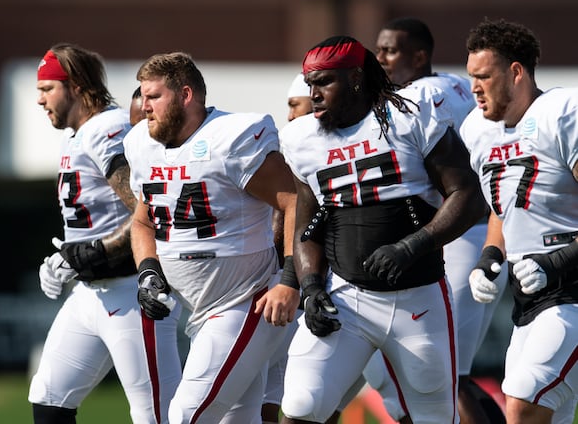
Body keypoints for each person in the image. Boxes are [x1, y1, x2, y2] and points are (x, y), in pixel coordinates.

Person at [278, 36, 486, 424]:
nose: (314, 95)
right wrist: (310, 287)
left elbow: (469, 196)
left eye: (324, 82)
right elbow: (308, 223)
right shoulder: (301, 138)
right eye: (310, 85)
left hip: (417, 299)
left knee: (434, 417)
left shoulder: (408, 117)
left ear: (356, 78)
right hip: (346, 297)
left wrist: (412, 246)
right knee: (301, 406)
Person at [124, 51, 300, 423]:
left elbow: (295, 201)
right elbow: (142, 223)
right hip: (199, 311)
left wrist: (290, 279)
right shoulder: (142, 144)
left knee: (186, 415)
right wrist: (149, 271)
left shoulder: (231, 138)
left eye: (154, 96)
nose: (144, 107)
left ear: (186, 95)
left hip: (246, 301)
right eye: (142, 96)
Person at [360, 17, 507, 424]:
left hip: (464, 232)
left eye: (390, 50)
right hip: (473, 232)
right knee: (448, 373)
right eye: (379, 48)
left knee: (443, 373)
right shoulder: (453, 83)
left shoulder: (420, 95)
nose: (380, 58)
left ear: (419, 55)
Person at [28, 43, 182, 424]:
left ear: (76, 86)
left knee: (157, 416)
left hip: (131, 291)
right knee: (49, 398)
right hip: (90, 293)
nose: (39, 99)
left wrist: (87, 252)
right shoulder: (77, 135)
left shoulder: (107, 129)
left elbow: (148, 210)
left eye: (48, 88)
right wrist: (67, 254)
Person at [460, 18, 578, 424]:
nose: (474, 87)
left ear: (515, 72)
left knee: (523, 403)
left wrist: (555, 262)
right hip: (529, 299)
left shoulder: (562, 113)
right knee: (545, 411)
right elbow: (504, 206)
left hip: (573, 291)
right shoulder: (477, 130)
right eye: (471, 76)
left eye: (484, 76)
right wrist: (490, 255)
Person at [262, 72, 316, 424]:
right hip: (300, 286)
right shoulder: (292, 149)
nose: (290, 116)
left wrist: (287, 277)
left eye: (295, 105)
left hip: (310, 289)